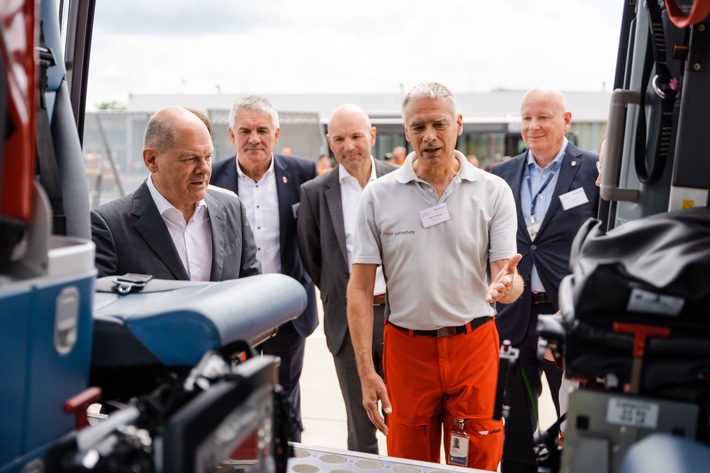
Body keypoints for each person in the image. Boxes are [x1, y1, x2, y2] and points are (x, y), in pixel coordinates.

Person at [347, 82, 523, 470]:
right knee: (409, 463)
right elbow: (359, 288)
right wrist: (366, 371)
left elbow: (505, 275)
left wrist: (507, 287)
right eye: (418, 126)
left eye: (439, 124)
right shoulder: (378, 196)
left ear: (458, 124)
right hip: (407, 353)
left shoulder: (493, 191)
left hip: (473, 346)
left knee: (477, 458)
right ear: (405, 131)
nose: (429, 136)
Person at [490, 88, 599, 473]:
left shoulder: (594, 170)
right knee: (516, 428)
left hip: (566, 319)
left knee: (574, 424)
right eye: (526, 118)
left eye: (543, 117)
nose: (533, 126)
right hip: (515, 320)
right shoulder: (501, 175)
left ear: (565, 121)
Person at [209, 95, 318, 442]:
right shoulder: (212, 177)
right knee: (233, 400)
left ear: (275, 133)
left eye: (261, 130)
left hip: (286, 311)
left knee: (284, 396)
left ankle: (287, 456)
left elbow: (317, 238)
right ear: (231, 135)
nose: (253, 138)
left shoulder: (302, 173)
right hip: (232, 314)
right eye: (245, 130)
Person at [297, 104, 399, 454]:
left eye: (356, 136)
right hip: (346, 322)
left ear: (371, 135)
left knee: (405, 417)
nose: (349, 145)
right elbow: (313, 259)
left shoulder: (400, 180)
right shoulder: (314, 192)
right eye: (339, 138)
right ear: (330, 141)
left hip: (398, 317)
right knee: (360, 424)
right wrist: (344, 296)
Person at [91, 106, 261, 282]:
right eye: (189, 159)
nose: (204, 168)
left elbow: (252, 289)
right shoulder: (108, 227)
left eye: (208, 156)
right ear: (152, 160)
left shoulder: (232, 209)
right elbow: (98, 304)